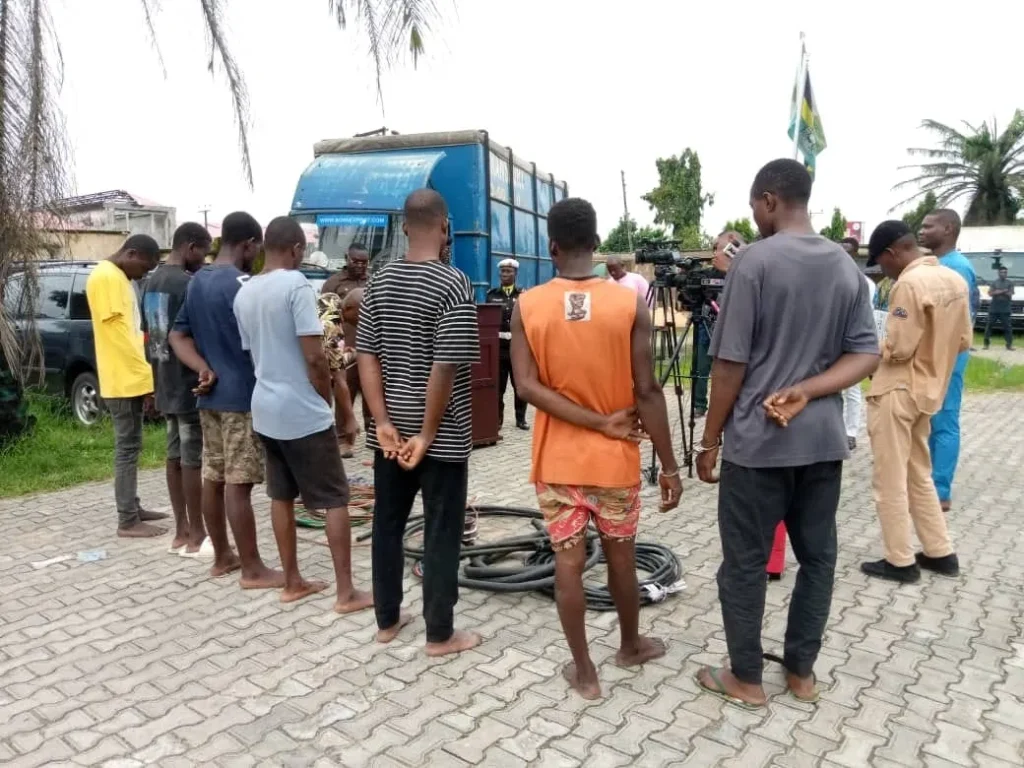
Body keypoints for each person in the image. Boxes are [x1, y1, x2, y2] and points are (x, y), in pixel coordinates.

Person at [694, 159, 879, 708]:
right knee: (818, 559)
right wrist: (811, 388)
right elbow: (865, 354)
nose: (754, 216)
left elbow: (728, 365)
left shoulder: (753, 263)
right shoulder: (848, 269)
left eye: (755, 206)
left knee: (746, 564)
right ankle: (801, 673)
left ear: (770, 200)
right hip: (822, 442)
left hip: (758, 445)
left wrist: (709, 441)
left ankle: (746, 679)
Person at [511, 197, 682, 700]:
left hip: (556, 463)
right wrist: (669, 466)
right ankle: (629, 647)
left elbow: (523, 386)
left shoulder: (527, 305)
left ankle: (584, 671)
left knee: (568, 564)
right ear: (595, 241)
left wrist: (591, 423)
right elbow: (648, 390)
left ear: (553, 246)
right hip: (616, 462)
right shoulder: (629, 303)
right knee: (622, 557)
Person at [357, 189, 481, 657]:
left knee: (387, 524)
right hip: (441, 436)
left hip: (389, 436)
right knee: (441, 529)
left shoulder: (380, 281)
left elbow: (365, 354)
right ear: (445, 226)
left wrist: (383, 422)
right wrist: (427, 434)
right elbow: (445, 366)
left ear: (404, 226)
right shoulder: (454, 284)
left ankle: (387, 620)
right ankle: (440, 635)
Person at [233, 217, 372, 609]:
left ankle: (292, 581)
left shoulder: (245, 292)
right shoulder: (295, 285)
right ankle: (347, 592)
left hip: (266, 410)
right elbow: (314, 357)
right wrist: (325, 402)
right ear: (295, 248)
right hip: (301, 411)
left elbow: (253, 351)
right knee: (335, 499)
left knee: (281, 496)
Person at [169, 211, 280, 586]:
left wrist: (203, 368)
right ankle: (253, 568)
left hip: (210, 398)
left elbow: (177, 337)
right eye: (256, 249)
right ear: (248, 244)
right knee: (239, 481)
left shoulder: (198, 280)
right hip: (241, 399)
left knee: (213, 476)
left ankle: (222, 557)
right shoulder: (243, 285)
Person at [859, 221, 969, 583]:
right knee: (918, 473)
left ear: (892, 253)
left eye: (881, 263)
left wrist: (866, 351)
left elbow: (898, 348)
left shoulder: (908, 283)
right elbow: (964, 339)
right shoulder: (954, 280)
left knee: (889, 479)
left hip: (897, 392)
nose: (882, 271)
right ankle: (940, 551)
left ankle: (900, 560)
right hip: (929, 392)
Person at [86, 234, 167, 538]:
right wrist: (148, 381)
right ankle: (127, 519)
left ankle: (133, 506)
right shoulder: (106, 277)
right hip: (122, 379)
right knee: (127, 448)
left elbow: (132, 333)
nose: (145, 273)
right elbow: (119, 339)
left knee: (132, 445)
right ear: (131, 253)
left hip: (129, 376)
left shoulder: (118, 277)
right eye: (146, 266)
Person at [142, 222, 212, 556]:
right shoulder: (187, 284)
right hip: (188, 383)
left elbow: (149, 335)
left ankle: (181, 530)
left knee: (173, 456)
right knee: (191, 458)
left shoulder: (150, 280)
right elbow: (195, 334)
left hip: (163, 380)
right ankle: (198, 533)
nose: (204, 259)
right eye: (204, 251)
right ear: (190, 246)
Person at [918, 209, 977, 512]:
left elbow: (959, 323)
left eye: (929, 227)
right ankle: (927, 480)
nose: (922, 231)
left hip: (949, 356)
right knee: (930, 418)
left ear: (948, 228)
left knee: (945, 420)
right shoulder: (936, 265)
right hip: (933, 355)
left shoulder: (957, 268)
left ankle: (940, 491)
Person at [694, 232, 744, 416]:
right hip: (707, 325)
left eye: (718, 248)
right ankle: (699, 404)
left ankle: (726, 405)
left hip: (731, 328)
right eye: (714, 249)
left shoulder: (742, 273)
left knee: (725, 371)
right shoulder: (708, 273)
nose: (715, 253)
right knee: (701, 367)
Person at [838, 237, 878, 451]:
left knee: (852, 390)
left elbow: (868, 317)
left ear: (854, 253)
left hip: (854, 344)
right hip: (832, 342)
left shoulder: (866, 283)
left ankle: (850, 431)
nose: (843, 253)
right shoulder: (829, 279)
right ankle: (834, 429)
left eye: (847, 250)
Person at [485, 258, 528, 431]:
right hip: (499, 348)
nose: (505, 274)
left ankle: (520, 418)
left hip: (517, 348)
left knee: (519, 386)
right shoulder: (492, 295)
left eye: (508, 271)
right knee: (498, 387)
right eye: (502, 271)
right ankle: (497, 420)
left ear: (516, 274)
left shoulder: (523, 295)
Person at [317, 292, 361, 458]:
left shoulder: (330, 299)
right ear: (348, 308)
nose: (363, 319)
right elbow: (339, 379)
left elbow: (326, 350)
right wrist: (350, 419)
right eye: (361, 313)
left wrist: (343, 354)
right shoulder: (332, 327)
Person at [984, 265, 1014, 350]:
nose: (1004, 274)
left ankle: (1009, 344)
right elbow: (990, 293)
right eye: (1002, 272)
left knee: (1008, 327)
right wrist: (1003, 291)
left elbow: (1010, 293)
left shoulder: (1010, 283)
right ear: (998, 273)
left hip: (1005, 309)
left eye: (1005, 272)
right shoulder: (994, 282)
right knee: (989, 326)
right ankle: (986, 344)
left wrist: (998, 292)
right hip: (994, 309)